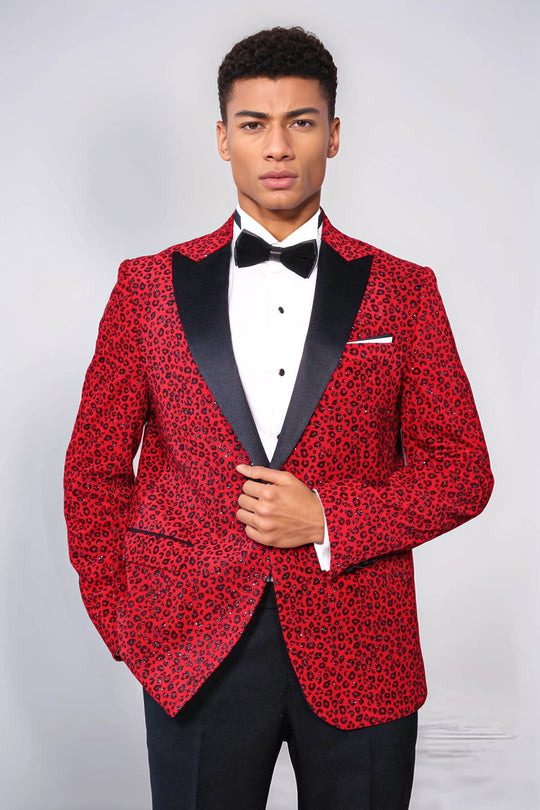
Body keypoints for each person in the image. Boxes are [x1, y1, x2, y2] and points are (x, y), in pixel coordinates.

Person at [64, 26, 494, 810]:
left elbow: (463, 469)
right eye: (254, 123)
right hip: (192, 643)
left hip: (364, 647)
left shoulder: (404, 291)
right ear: (222, 138)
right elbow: (94, 466)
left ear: (333, 134)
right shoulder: (146, 288)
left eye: (300, 121)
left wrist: (329, 519)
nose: (278, 147)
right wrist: (124, 620)